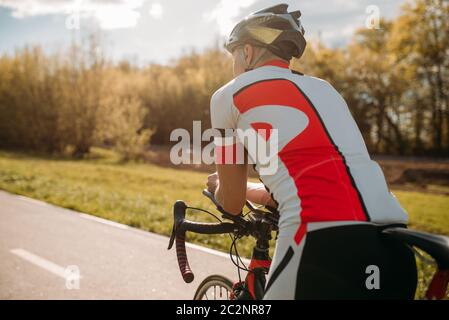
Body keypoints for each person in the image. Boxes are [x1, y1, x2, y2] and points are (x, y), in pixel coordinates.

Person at [206, 3, 417, 299]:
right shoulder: (326, 91)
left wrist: (218, 186)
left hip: (321, 243)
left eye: (234, 55)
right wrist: (256, 190)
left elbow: (231, 203)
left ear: (248, 52)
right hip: (395, 247)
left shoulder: (227, 96)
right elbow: (319, 177)